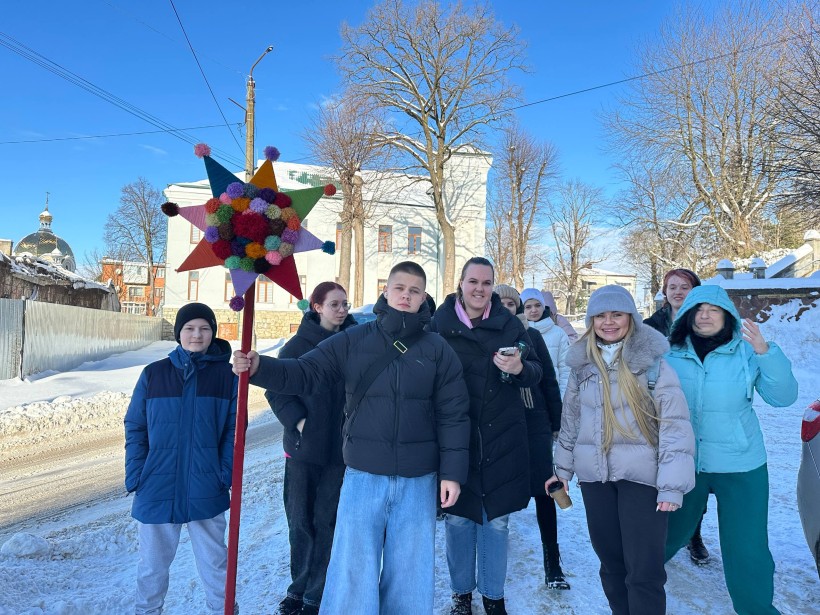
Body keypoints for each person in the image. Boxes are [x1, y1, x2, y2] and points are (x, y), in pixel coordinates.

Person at [232, 261, 470, 615]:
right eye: (399, 288)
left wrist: (451, 472)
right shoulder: (355, 339)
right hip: (362, 476)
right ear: (386, 291)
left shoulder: (438, 350)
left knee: (410, 572)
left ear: (423, 299)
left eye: (415, 290)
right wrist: (260, 368)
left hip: (418, 478)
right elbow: (306, 372)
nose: (406, 295)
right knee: (352, 570)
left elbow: (454, 414)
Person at [547, 285, 695, 615]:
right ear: (591, 320)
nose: (608, 322)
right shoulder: (582, 366)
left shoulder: (653, 365)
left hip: (643, 480)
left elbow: (675, 427)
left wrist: (671, 485)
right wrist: (562, 471)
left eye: (617, 314)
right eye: (600, 315)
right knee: (612, 566)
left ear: (631, 318)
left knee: (644, 572)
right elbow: (570, 421)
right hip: (595, 480)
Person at [664, 285, 798, 615]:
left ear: (727, 315)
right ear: (687, 316)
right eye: (698, 309)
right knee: (664, 536)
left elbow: (784, 397)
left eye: (714, 309)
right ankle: (634, 587)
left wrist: (767, 352)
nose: (705, 315)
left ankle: (756, 609)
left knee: (746, 549)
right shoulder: (668, 355)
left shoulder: (747, 351)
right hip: (685, 463)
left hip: (742, 464)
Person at [430, 258, 543, 615]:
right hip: (456, 435)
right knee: (459, 517)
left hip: (502, 435)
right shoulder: (439, 324)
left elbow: (537, 371)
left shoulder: (509, 324)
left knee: (496, 521)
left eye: (487, 282)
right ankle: (461, 594)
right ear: (460, 283)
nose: (480, 289)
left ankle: (494, 596)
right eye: (473, 281)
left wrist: (519, 367)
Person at [124, 302, 237, 615]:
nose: (197, 335)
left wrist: (223, 474)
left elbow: (233, 431)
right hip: (156, 486)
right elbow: (136, 426)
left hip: (206, 485)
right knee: (151, 568)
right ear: (179, 333)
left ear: (213, 332)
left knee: (215, 563)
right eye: (189, 328)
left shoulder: (227, 378)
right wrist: (137, 474)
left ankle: (223, 611)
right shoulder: (154, 374)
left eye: (204, 328)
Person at [267, 282, 358, 615]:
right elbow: (276, 390)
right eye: (334, 304)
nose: (342, 309)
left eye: (345, 304)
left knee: (326, 521)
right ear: (317, 307)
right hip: (303, 451)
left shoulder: (355, 343)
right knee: (300, 523)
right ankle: (298, 587)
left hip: (340, 452)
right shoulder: (297, 346)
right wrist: (298, 421)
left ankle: (316, 594)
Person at [495, 284, 570, 591]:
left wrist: (556, 421)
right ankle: (496, 549)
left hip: (534, 421)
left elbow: (549, 381)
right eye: (500, 302)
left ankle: (552, 560)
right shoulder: (485, 338)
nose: (506, 307)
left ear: (518, 308)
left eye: (512, 303)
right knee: (500, 486)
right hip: (499, 424)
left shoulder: (532, 336)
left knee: (544, 488)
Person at [644, 267, 709, 564]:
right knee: (660, 471)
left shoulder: (706, 322)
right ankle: (661, 531)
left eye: (685, 286)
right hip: (659, 405)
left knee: (693, 472)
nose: (678, 292)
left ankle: (693, 534)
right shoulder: (650, 325)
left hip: (697, 405)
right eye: (672, 286)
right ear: (664, 291)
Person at [520, 288, 572, 399]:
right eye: (528, 307)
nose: (534, 310)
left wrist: (562, 397)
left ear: (543, 306)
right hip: (526, 397)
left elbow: (566, 369)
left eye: (537, 305)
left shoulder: (559, 333)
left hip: (552, 394)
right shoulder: (518, 333)